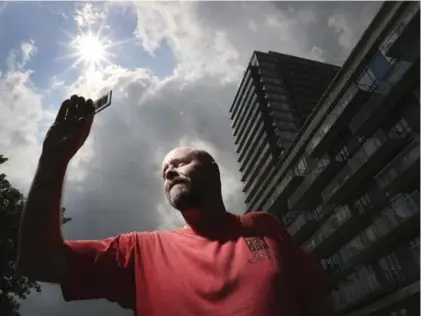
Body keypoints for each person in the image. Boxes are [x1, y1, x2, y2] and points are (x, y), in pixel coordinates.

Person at [17, 95, 332, 316]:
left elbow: (317, 302)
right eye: (164, 172)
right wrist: (54, 157)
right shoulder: (139, 252)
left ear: (211, 169)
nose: (169, 172)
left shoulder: (263, 226)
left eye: (181, 163)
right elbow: (40, 262)